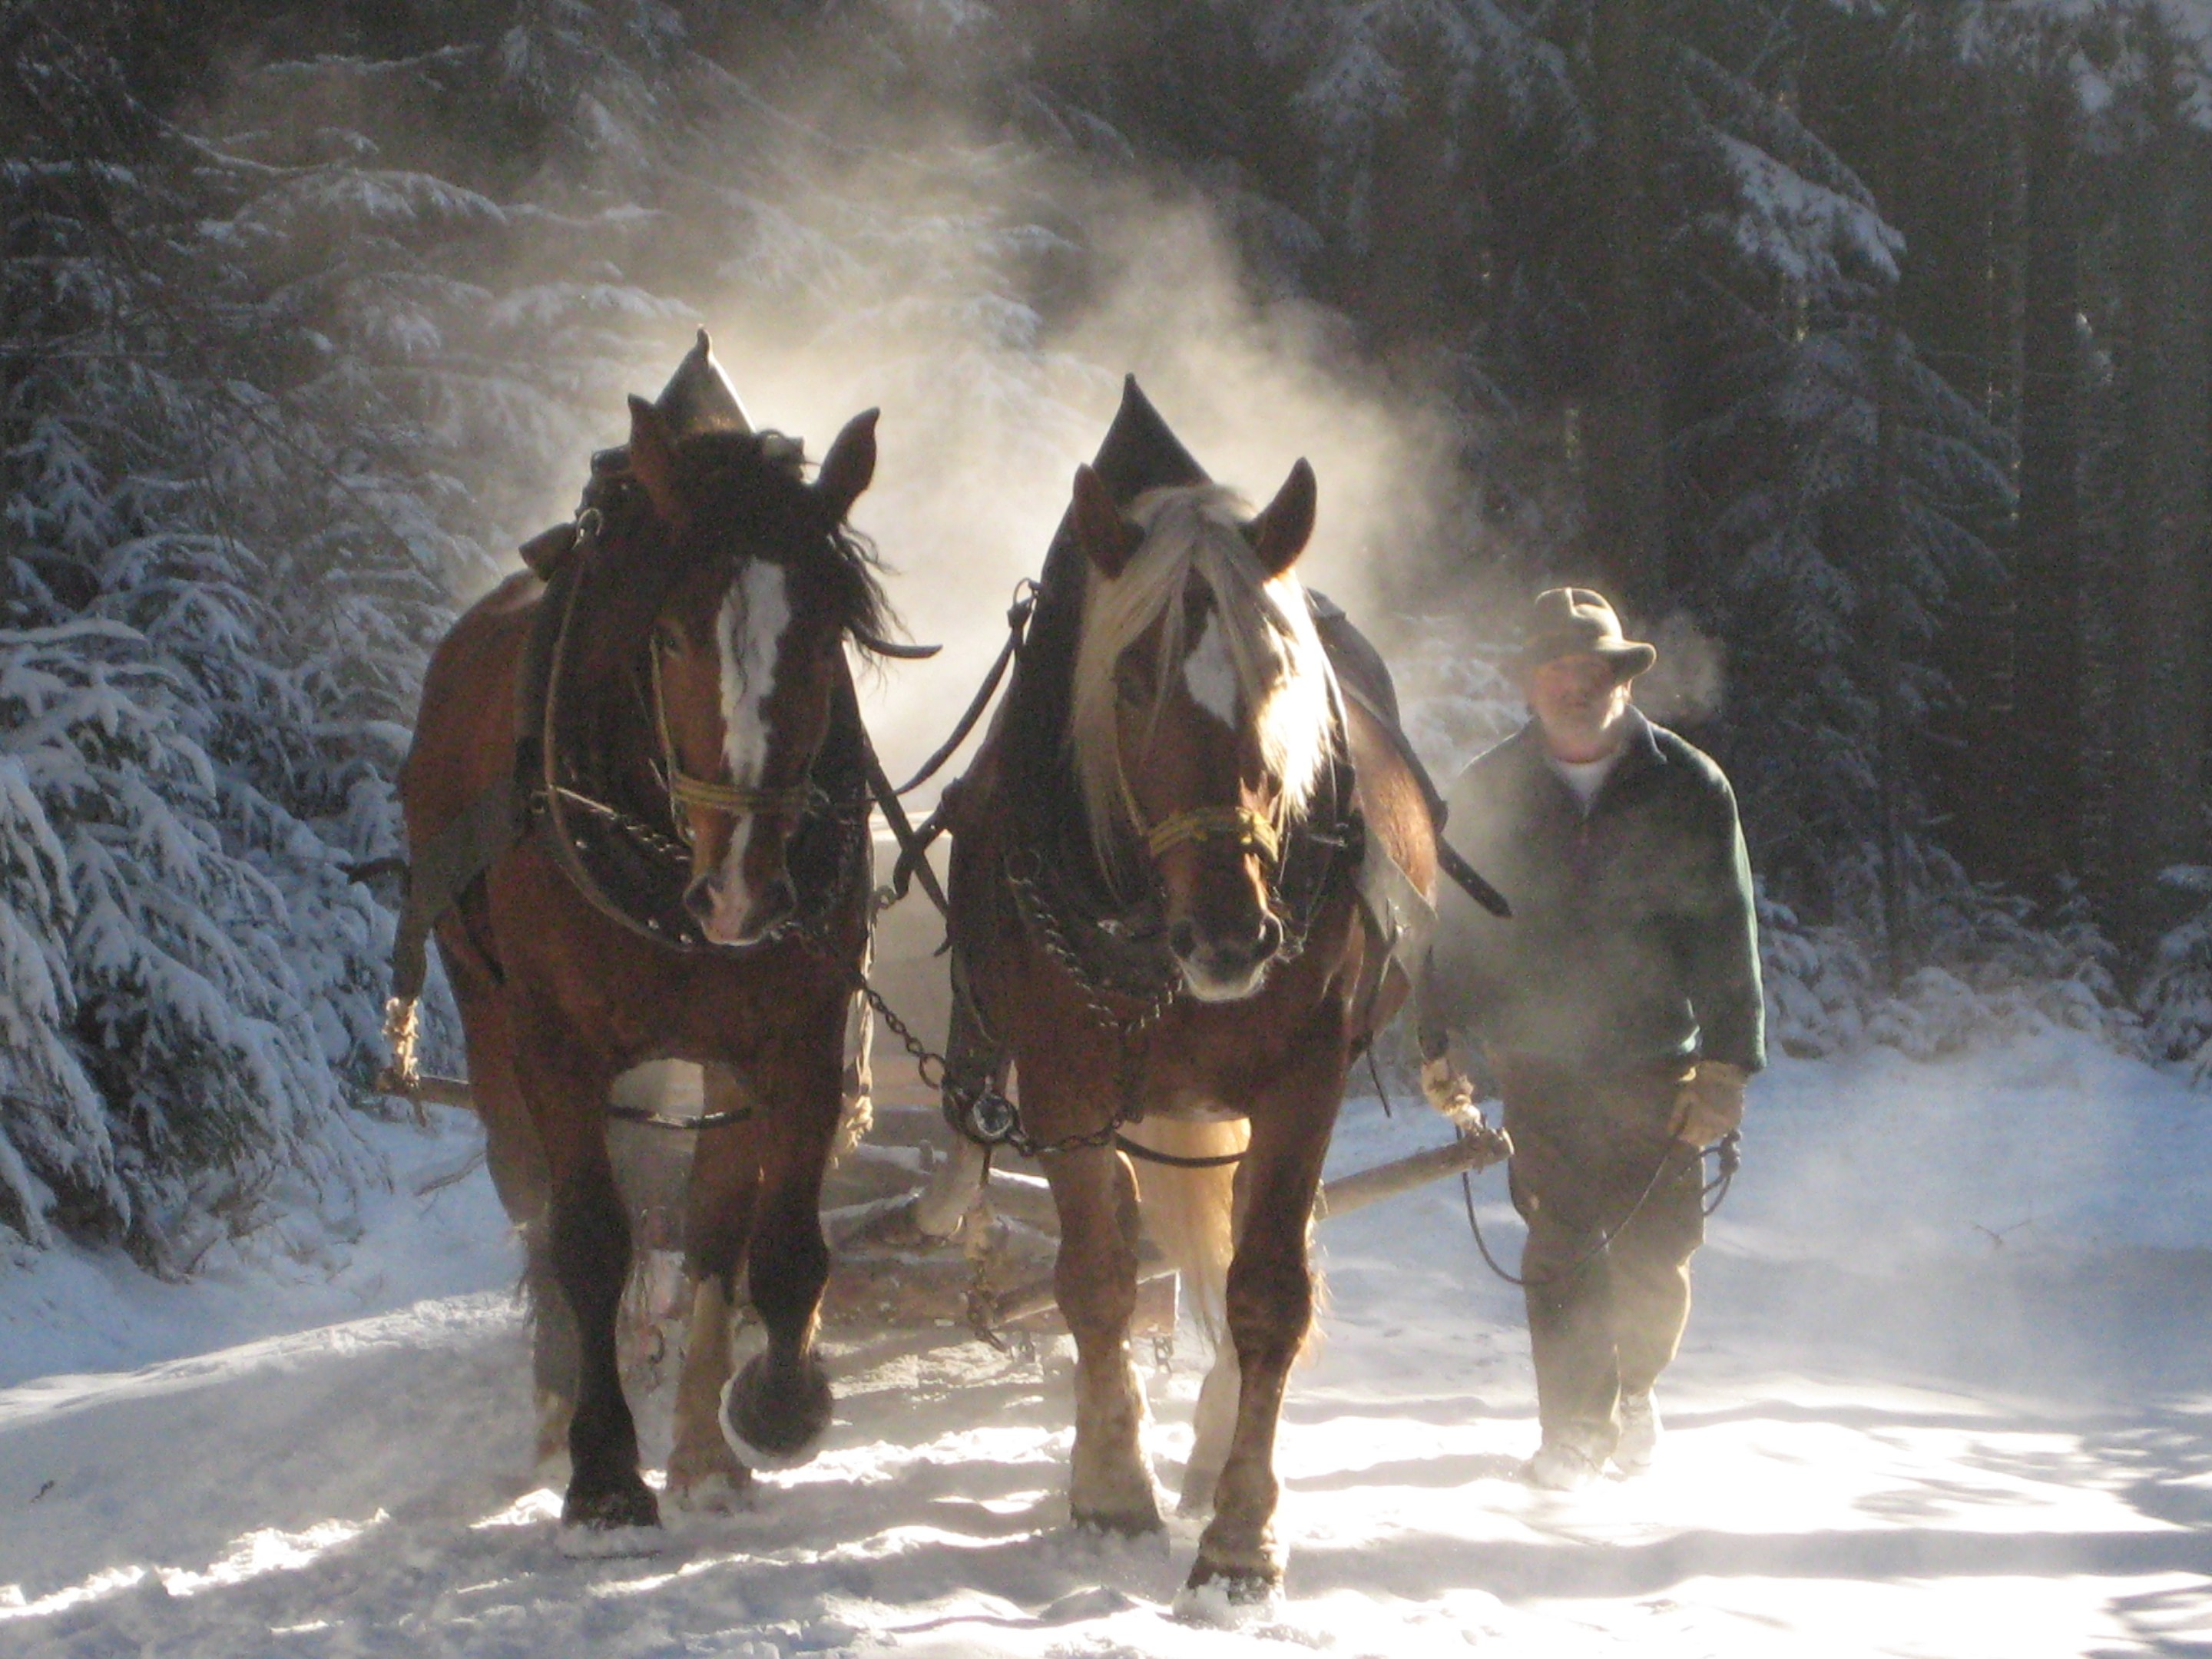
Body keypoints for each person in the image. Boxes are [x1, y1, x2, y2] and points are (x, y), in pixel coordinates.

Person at [1419, 586, 1763, 1492]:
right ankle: (1574, 1431)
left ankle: (1635, 1389)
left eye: (1592, 670)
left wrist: (1726, 1065)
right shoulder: (1489, 788)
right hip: (1538, 1058)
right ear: (1530, 686)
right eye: (1556, 671)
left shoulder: (1689, 785)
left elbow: (1729, 929)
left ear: (1621, 678)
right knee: (1563, 1241)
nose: (1575, 686)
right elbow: (1451, 927)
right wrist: (1438, 1038)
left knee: (1659, 1256)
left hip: (1660, 1057)